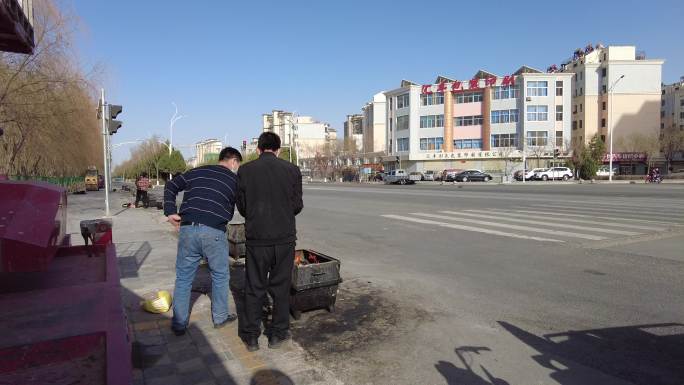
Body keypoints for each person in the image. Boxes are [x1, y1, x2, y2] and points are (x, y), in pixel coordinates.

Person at [163, 147, 243, 336]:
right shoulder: (234, 179)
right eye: (237, 165)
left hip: (188, 229)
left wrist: (170, 211)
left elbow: (171, 185)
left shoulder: (197, 171)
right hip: (214, 231)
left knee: (183, 277)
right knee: (220, 275)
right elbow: (244, 204)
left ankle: (179, 324)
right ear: (233, 161)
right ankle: (220, 317)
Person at [236, 132, 303, 351]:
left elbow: (243, 207)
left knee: (254, 287)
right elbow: (297, 205)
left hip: (257, 239)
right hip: (284, 239)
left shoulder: (245, 171)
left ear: (258, 149)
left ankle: (251, 337)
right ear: (279, 149)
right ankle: (277, 334)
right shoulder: (292, 170)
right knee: (281, 288)